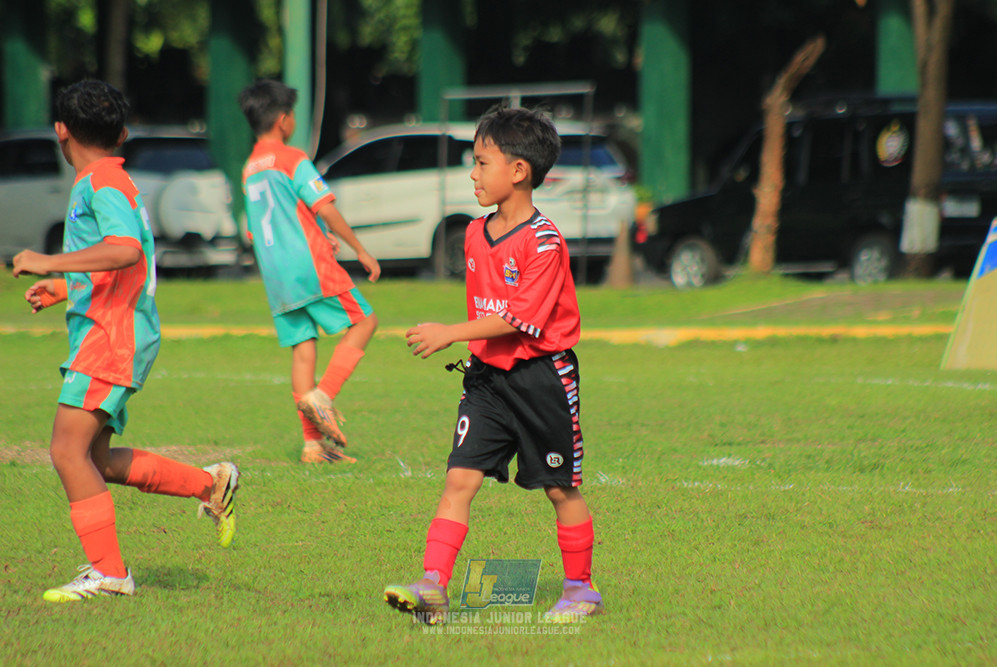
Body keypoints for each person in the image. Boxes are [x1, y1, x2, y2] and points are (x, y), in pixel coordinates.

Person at [12, 79, 239, 603]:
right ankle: (211, 485)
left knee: (66, 451)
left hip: (112, 336)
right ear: (124, 132)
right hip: (114, 331)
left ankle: (110, 573)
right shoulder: (106, 179)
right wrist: (65, 284)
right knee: (95, 459)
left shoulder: (100, 185)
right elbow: (113, 262)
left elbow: (124, 251)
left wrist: (50, 260)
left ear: (61, 131)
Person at [383, 106, 602, 624]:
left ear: (519, 171)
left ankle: (580, 590)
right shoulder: (476, 233)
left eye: (482, 162)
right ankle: (433, 585)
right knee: (459, 479)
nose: (473, 174)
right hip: (486, 381)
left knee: (559, 487)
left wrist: (449, 333)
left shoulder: (545, 243)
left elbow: (521, 320)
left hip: (541, 378)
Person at [238, 79, 381, 464]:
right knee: (365, 322)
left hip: (275, 274)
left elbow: (258, 225)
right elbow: (324, 205)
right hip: (309, 265)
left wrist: (316, 234)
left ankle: (313, 446)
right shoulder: (292, 159)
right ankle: (324, 397)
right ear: (284, 120)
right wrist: (359, 248)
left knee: (303, 349)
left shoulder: (250, 168)